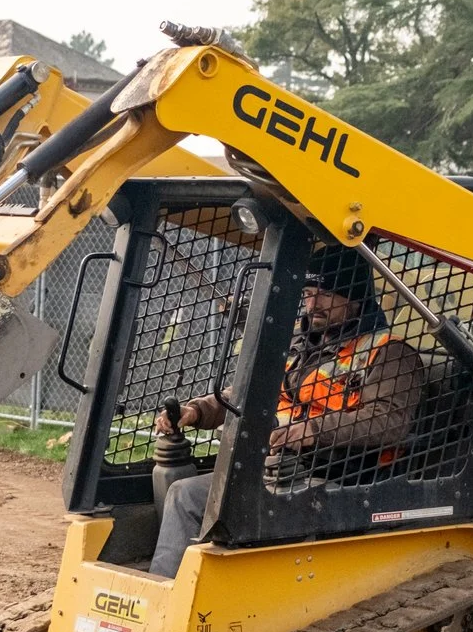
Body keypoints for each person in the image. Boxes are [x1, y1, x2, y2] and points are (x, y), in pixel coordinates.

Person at [147, 242, 427, 577]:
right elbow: (249, 392)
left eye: (325, 294)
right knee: (185, 494)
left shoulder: (389, 354)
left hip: (342, 477)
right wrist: (197, 411)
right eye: (308, 293)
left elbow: (390, 421)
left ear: (355, 297)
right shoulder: (295, 345)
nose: (313, 304)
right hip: (276, 467)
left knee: (208, 500)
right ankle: (164, 589)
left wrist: (312, 431)